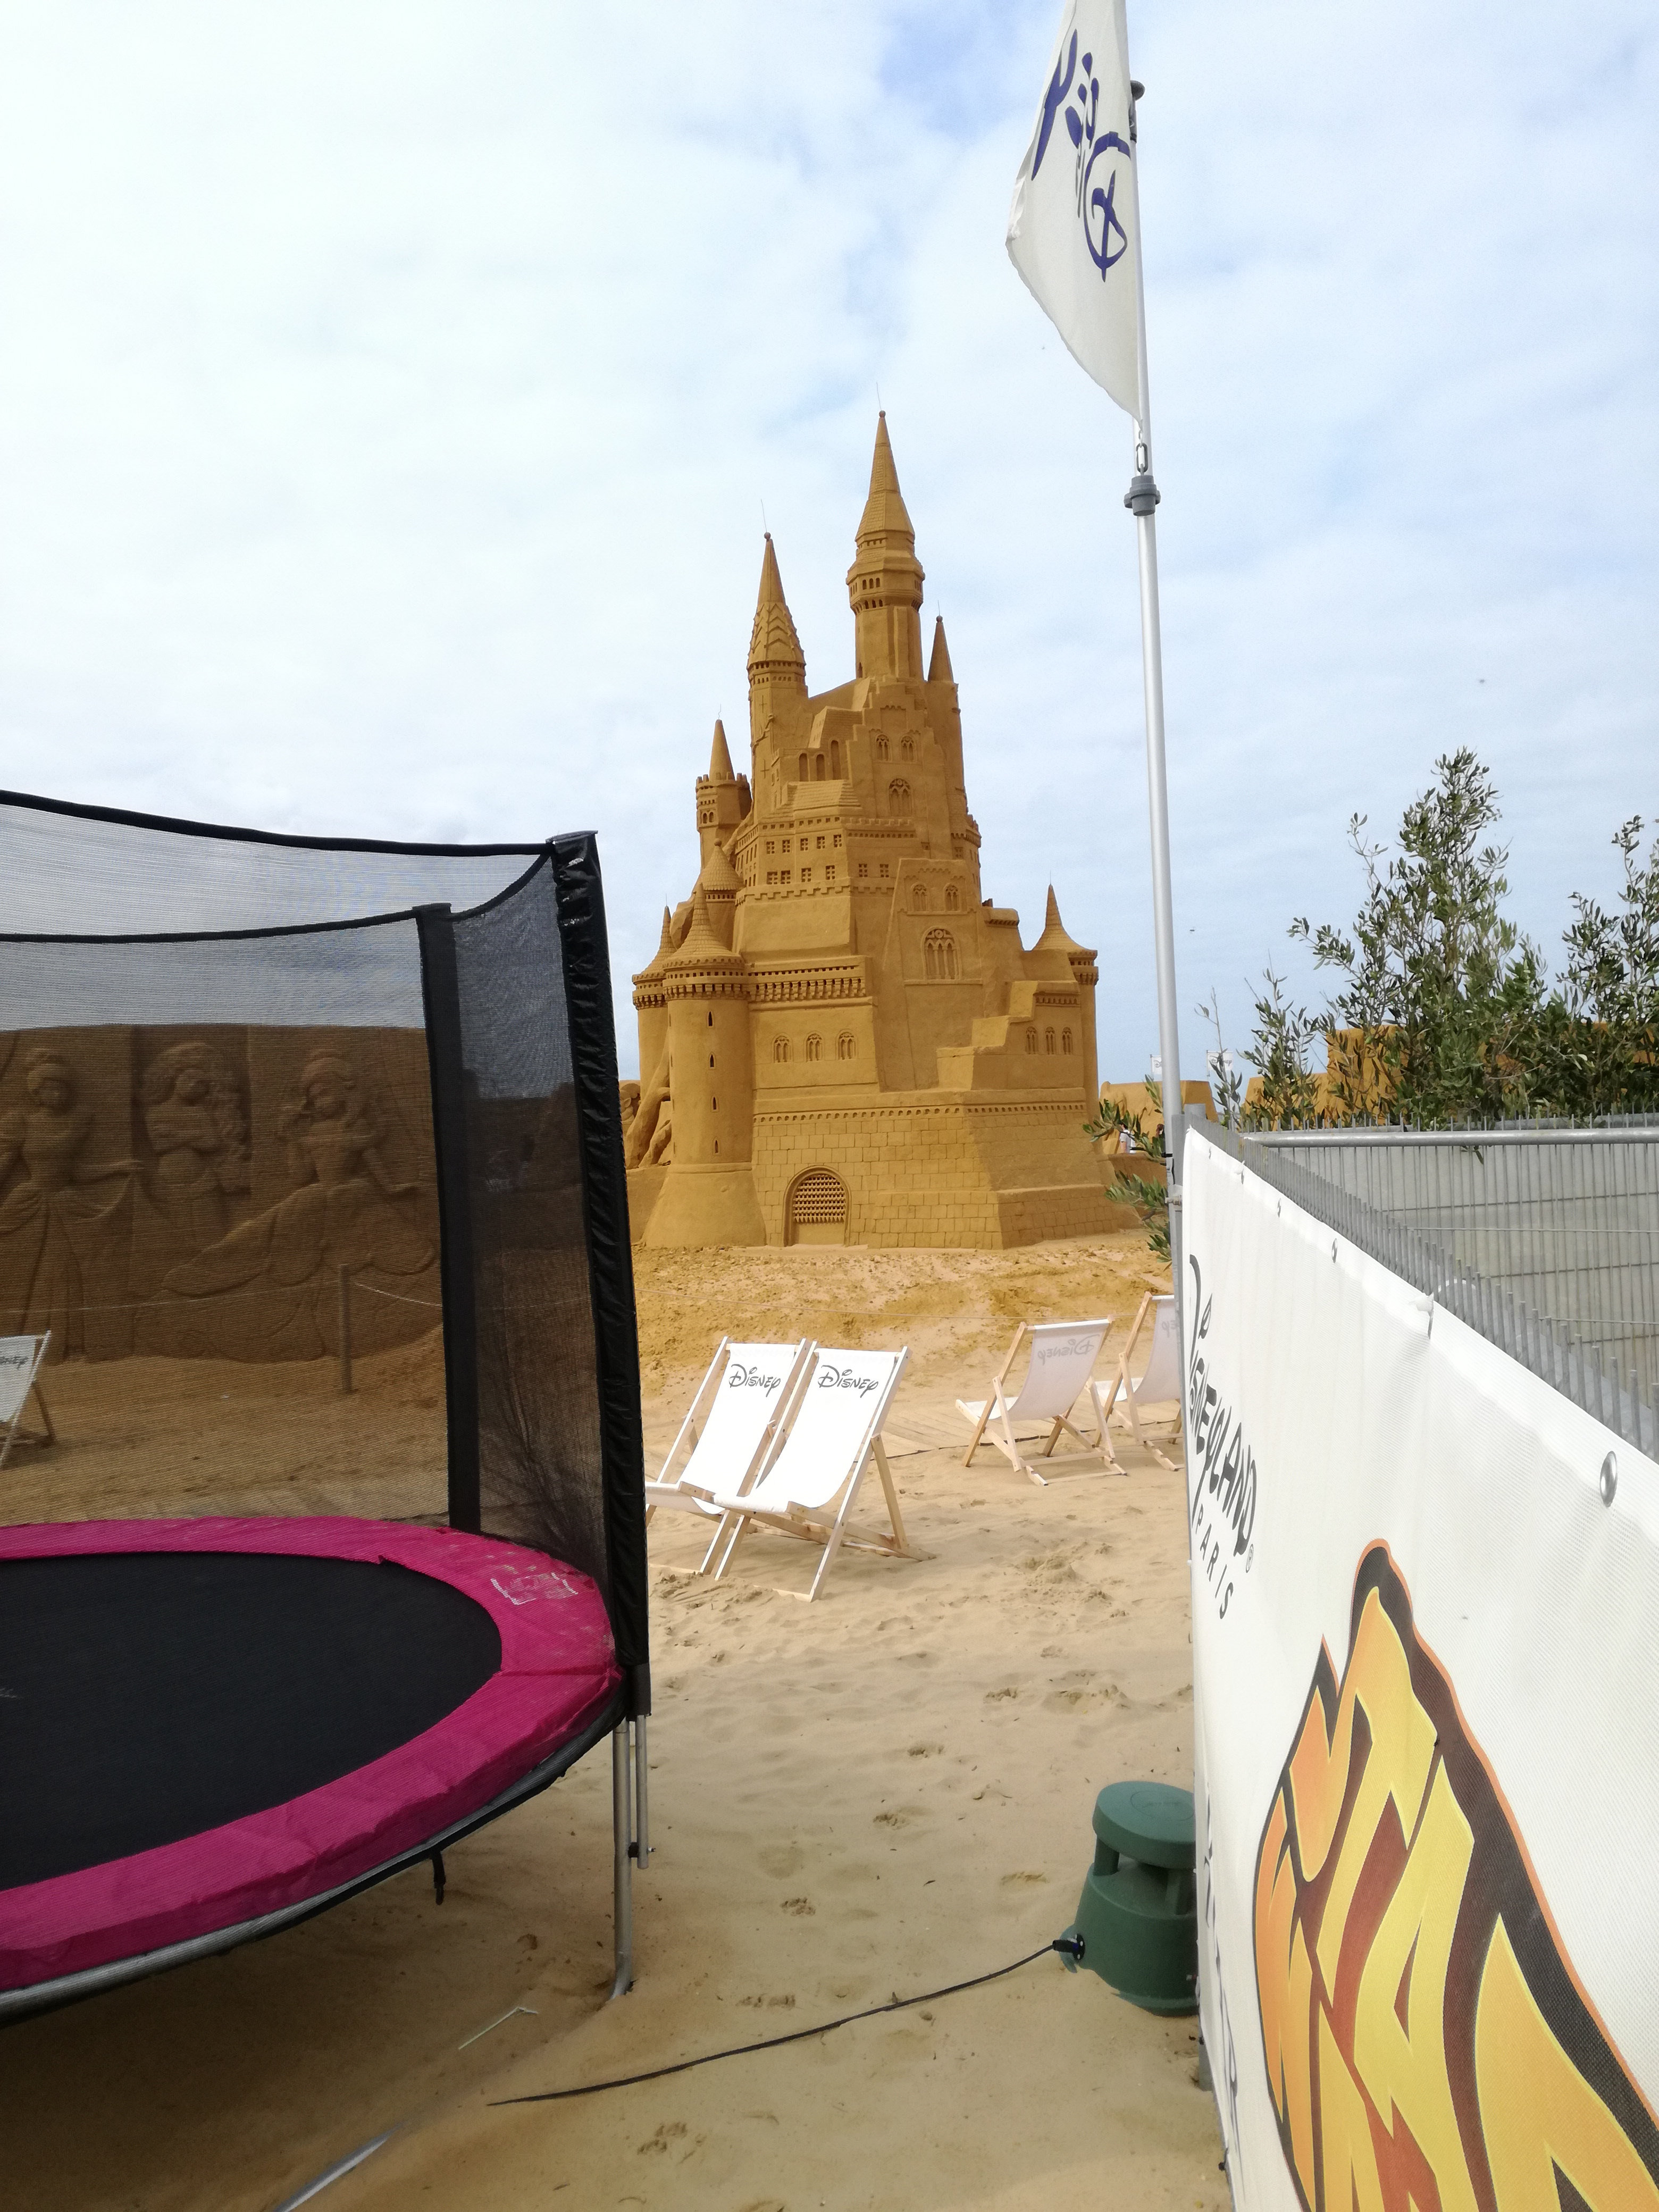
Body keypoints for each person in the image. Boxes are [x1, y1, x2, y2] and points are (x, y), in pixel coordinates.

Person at [0, 1048, 138, 1355]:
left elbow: (74, 1172)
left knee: (64, 1269)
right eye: (50, 1088)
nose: (58, 1094)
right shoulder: (22, 1122)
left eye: (62, 1088)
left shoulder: (78, 1121)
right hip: (29, 1204)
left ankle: (62, 1343)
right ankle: (15, 1339)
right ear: (37, 1093)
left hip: (65, 1203)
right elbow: (6, 1163)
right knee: (20, 1269)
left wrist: (116, 1168)